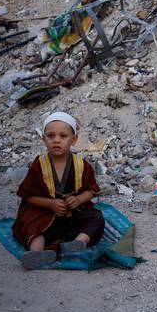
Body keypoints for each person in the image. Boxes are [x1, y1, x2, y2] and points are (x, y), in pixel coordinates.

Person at [12, 112, 104, 269]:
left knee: (96, 218)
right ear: (43, 139)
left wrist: (79, 200)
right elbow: (28, 196)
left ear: (73, 140)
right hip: (46, 215)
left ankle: (78, 243)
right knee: (30, 223)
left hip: (74, 213)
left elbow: (92, 190)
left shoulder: (82, 165)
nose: (56, 140)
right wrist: (50, 204)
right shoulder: (38, 165)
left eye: (63, 136)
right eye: (50, 136)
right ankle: (37, 253)